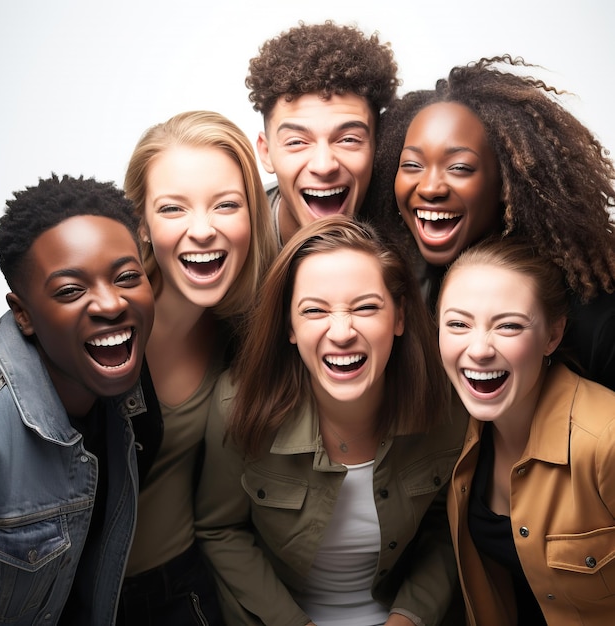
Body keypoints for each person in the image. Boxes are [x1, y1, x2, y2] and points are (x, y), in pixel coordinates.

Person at [195, 216, 468, 626]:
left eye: (365, 307)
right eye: (315, 310)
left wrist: (410, 617)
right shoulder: (237, 406)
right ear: (289, 325)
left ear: (399, 317)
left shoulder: (448, 408)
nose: (341, 332)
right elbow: (221, 531)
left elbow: (446, 530)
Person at [361, 55, 615, 390]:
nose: (430, 187)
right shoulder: (406, 287)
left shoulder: (594, 315)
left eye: (460, 168)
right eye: (412, 165)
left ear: (507, 181)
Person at [117, 110, 278, 625]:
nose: (203, 230)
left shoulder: (247, 336)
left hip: (183, 595)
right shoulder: (92, 328)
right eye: (173, 209)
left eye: (226, 205)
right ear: (141, 223)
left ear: (253, 213)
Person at [0, 173, 156, 625]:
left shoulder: (132, 399)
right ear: (23, 313)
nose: (109, 303)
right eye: (70, 290)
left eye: (126, 276)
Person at [438, 237, 615, 625]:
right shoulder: (453, 430)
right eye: (457, 324)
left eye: (509, 326)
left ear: (552, 336)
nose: (479, 348)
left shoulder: (606, 439)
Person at [246, 20, 400, 246]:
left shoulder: (408, 241)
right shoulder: (236, 243)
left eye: (348, 140)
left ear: (378, 146)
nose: (324, 166)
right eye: (297, 142)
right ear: (266, 152)